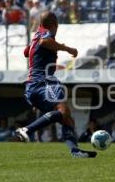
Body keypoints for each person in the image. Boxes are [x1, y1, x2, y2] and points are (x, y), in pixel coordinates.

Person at [14, 11, 96, 158]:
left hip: (32, 85)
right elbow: (45, 42)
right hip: (42, 81)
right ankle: (26, 130)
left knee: (66, 116)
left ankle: (75, 151)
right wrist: (67, 48)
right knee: (63, 111)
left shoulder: (36, 35)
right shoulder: (46, 34)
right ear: (55, 25)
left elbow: (26, 52)